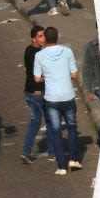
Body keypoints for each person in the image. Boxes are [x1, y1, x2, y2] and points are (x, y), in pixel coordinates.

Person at [33, 27, 81, 175]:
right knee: (72, 127)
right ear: (57, 37)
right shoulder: (67, 52)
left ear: (45, 39)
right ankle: (73, 159)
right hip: (67, 95)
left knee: (56, 131)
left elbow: (36, 78)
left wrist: (46, 77)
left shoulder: (40, 55)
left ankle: (61, 167)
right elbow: (74, 75)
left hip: (51, 98)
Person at [18, 26, 48, 165]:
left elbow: (26, 70)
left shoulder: (28, 50)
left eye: (44, 35)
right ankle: (54, 152)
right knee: (51, 121)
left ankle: (26, 152)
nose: (44, 38)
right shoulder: (39, 54)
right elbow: (38, 76)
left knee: (35, 122)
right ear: (34, 38)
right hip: (37, 93)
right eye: (40, 36)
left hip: (28, 92)